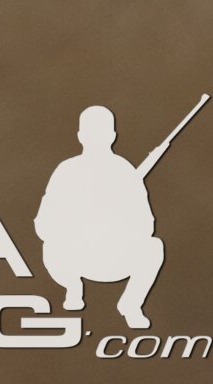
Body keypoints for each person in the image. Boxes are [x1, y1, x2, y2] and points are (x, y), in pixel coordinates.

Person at [36, 108, 169, 332]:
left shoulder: (125, 172)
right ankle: (73, 286)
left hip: (115, 259)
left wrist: (114, 223)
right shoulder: (67, 171)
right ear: (112, 136)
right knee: (51, 246)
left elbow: (146, 226)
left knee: (154, 247)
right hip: (74, 258)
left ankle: (131, 304)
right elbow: (44, 224)